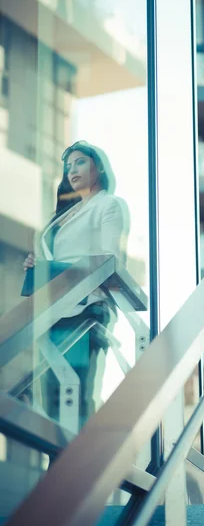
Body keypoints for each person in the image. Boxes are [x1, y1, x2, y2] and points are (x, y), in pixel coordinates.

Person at [23, 141, 129, 428]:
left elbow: (108, 259)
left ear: (99, 167)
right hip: (54, 312)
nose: (72, 170)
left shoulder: (108, 205)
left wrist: (56, 269)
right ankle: (58, 463)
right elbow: (55, 255)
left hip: (86, 309)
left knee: (79, 394)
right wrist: (39, 265)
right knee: (50, 399)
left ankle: (79, 465)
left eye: (80, 162)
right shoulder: (61, 217)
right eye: (68, 166)